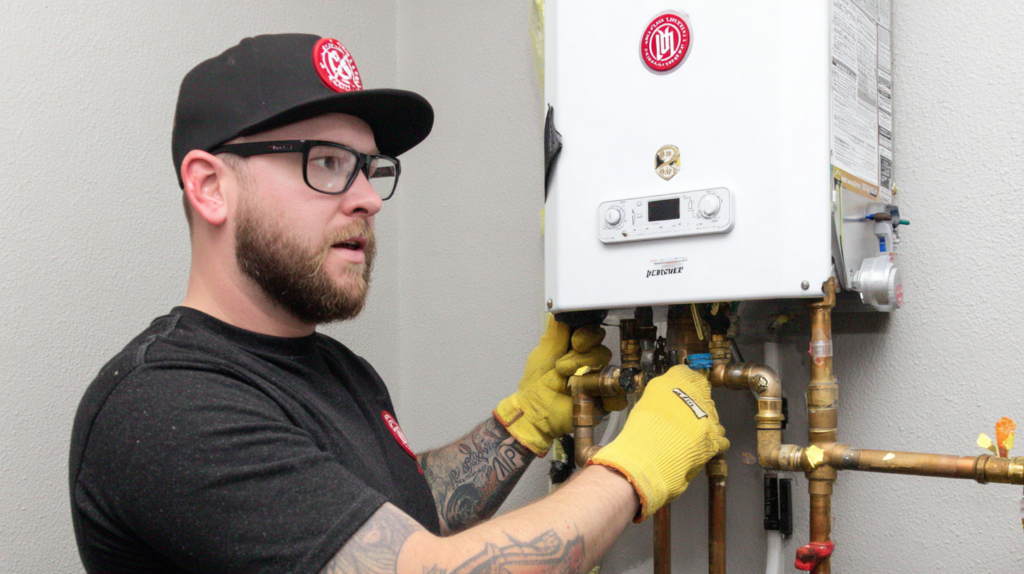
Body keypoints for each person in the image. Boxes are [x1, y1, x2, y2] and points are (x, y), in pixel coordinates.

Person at [69, 34, 730, 573]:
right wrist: (632, 468)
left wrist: (522, 424)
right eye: (326, 163)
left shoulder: (339, 371)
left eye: (369, 167)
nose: (367, 197)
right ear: (210, 187)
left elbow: (382, 523)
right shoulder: (162, 407)